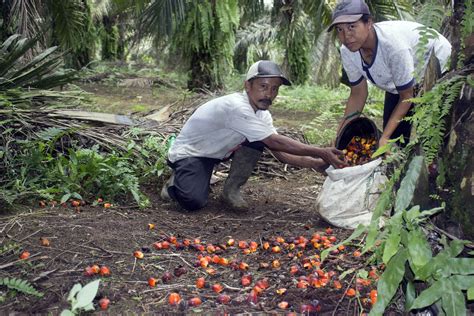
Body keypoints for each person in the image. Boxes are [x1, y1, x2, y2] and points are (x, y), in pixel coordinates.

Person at [161, 60, 347, 211]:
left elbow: (278, 151)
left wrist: (315, 164)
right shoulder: (236, 107)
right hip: (191, 154)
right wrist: (322, 152)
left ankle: (231, 191)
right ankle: (174, 184)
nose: (269, 94)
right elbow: (274, 141)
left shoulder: (261, 114)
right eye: (263, 86)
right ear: (247, 85)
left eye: (275, 89)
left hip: (213, 154)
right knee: (193, 202)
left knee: (257, 141)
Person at [329, 0, 452, 147]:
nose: (346, 36)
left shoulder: (393, 47)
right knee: (393, 142)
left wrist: (385, 138)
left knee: (433, 136)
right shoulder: (348, 51)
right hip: (399, 83)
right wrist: (340, 134)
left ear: (369, 24)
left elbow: (407, 97)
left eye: (351, 27)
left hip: (435, 66)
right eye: (340, 30)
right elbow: (358, 93)